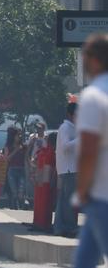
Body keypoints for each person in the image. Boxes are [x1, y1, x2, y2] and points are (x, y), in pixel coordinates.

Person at [25, 34, 108, 268]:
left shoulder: (92, 98)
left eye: (86, 57)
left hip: (101, 196)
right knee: (84, 265)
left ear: (96, 60)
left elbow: (87, 149)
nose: (83, 63)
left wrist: (83, 191)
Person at [54, 101, 78, 238]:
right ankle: (70, 227)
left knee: (63, 200)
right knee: (68, 200)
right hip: (69, 169)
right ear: (70, 114)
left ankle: (59, 227)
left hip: (69, 168)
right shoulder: (65, 128)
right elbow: (65, 147)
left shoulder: (72, 128)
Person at [4, 127, 26, 209]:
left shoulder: (23, 146)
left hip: (21, 170)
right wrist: (16, 150)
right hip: (12, 170)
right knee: (14, 192)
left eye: (20, 135)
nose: (19, 136)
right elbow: (7, 159)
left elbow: (26, 158)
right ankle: (14, 209)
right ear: (13, 136)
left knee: (21, 192)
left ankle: (22, 208)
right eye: (18, 135)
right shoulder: (8, 146)